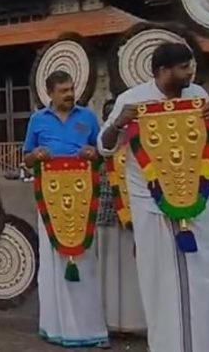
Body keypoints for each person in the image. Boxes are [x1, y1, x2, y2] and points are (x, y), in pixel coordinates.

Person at [99, 42, 209, 352]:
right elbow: (104, 146)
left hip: (197, 199)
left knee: (205, 274)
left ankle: (205, 344)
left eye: (190, 65)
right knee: (161, 282)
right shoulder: (132, 100)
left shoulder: (198, 96)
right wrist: (118, 122)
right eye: (183, 67)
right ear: (162, 71)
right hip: (151, 206)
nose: (190, 72)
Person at [22, 71, 109, 348]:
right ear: (50, 93)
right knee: (52, 261)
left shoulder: (88, 117)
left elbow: (101, 153)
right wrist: (36, 156)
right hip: (50, 196)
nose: (69, 95)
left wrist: (94, 155)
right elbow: (26, 158)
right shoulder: (37, 120)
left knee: (87, 259)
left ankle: (91, 328)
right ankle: (56, 326)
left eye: (71, 89)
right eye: (63, 91)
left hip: (84, 195)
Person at [96, 99, 146, 336]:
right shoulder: (104, 139)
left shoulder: (137, 137)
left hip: (133, 211)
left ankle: (135, 322)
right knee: (108, 267)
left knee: (132, 267)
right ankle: (107, 320)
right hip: (107, 210)